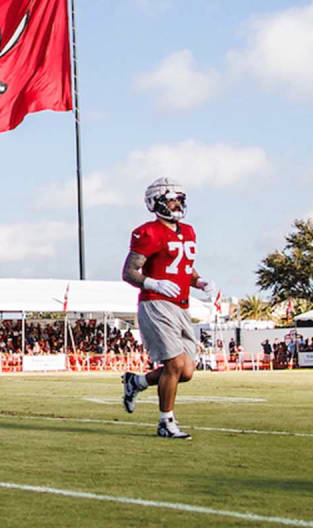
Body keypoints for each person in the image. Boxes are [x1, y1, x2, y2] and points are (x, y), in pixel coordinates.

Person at [119, 177, 215, 439]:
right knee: (173, 364)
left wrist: (199, 281)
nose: (176, 204)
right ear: (156, 202)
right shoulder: (147, 232)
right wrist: (153, 283)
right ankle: (166, 422)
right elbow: (129, 272)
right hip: (156, 303)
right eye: (171, 199)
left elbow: (184, 266)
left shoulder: (189, 231)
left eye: (179, 199)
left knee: (186, 371)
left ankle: (136, 382)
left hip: (182, 306)